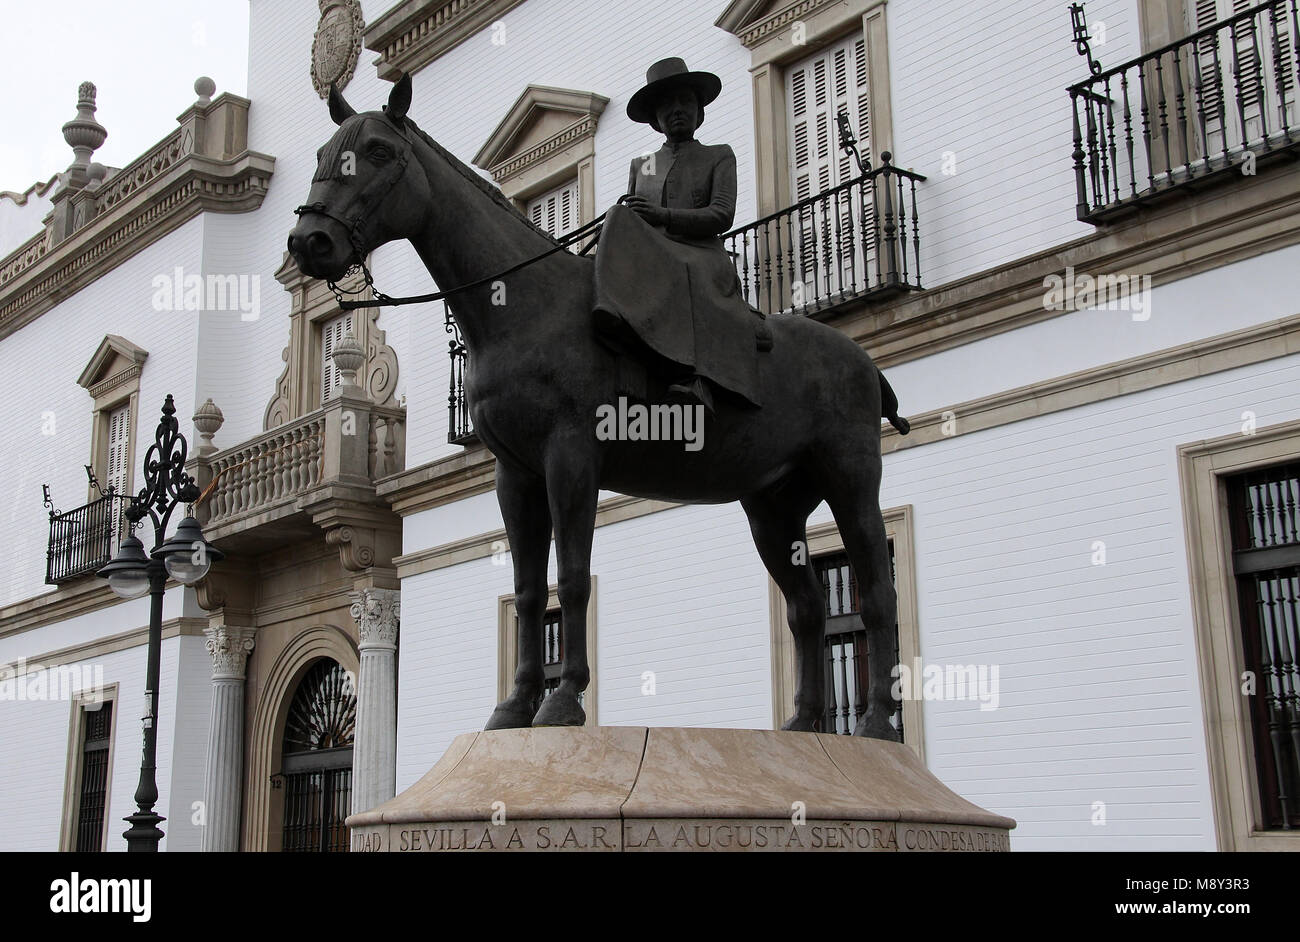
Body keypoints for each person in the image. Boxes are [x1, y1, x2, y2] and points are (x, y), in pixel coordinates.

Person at [594, 58, 769, 411]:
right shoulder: (642, 165)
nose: (677, 110)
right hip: (655, 257)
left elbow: (722, 214)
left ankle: (701, 380)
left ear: (698, 110)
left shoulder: (718, 156)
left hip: (700, 253)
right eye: (667, 104)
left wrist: (664, 216)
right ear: (656, 118)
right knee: (616, 219)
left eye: (685, 102)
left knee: (686, 277)